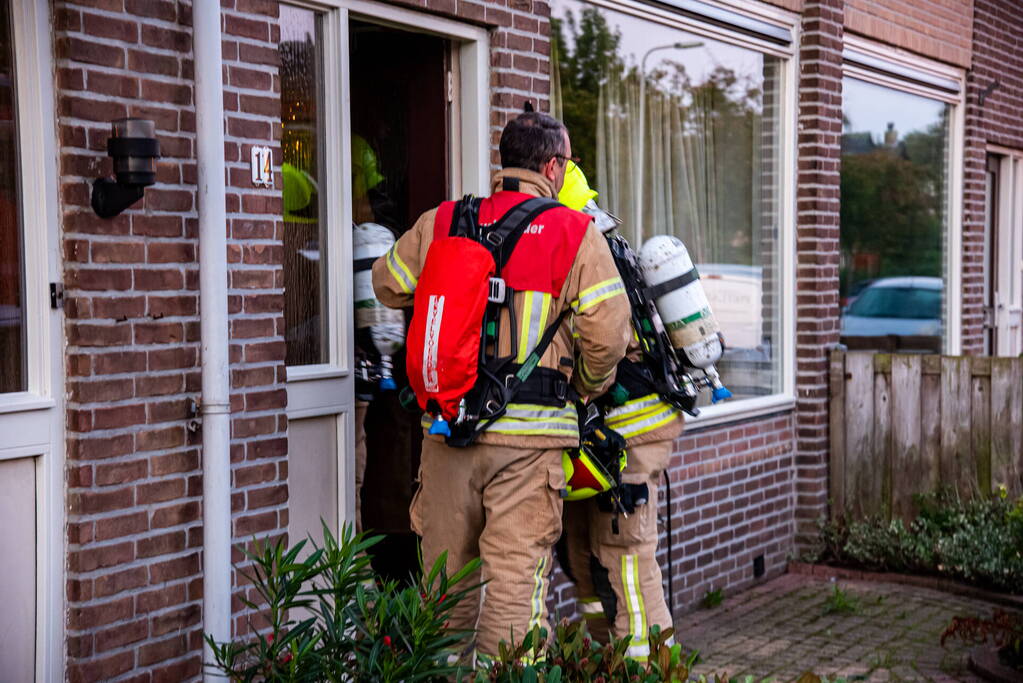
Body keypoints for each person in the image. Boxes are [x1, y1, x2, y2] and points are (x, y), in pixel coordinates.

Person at [371, 111, 632, 659]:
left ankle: (444, 673)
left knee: (446, 583)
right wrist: (582, 386)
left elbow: (387, 284)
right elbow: (608, 336)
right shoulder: (574, 233)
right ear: (554, 167)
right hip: (529, 445)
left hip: (447, 434)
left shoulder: (444, 220)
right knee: (513, 583)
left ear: (505, 161)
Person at [557, 161, 684, 661]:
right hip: (610, 432)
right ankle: (607, 659)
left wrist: (582, 390)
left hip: (628, 433)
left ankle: (653, 666)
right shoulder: (603, 240)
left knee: (625, 556)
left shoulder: (587, 249)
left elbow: (603, 342)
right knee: (581, 556)